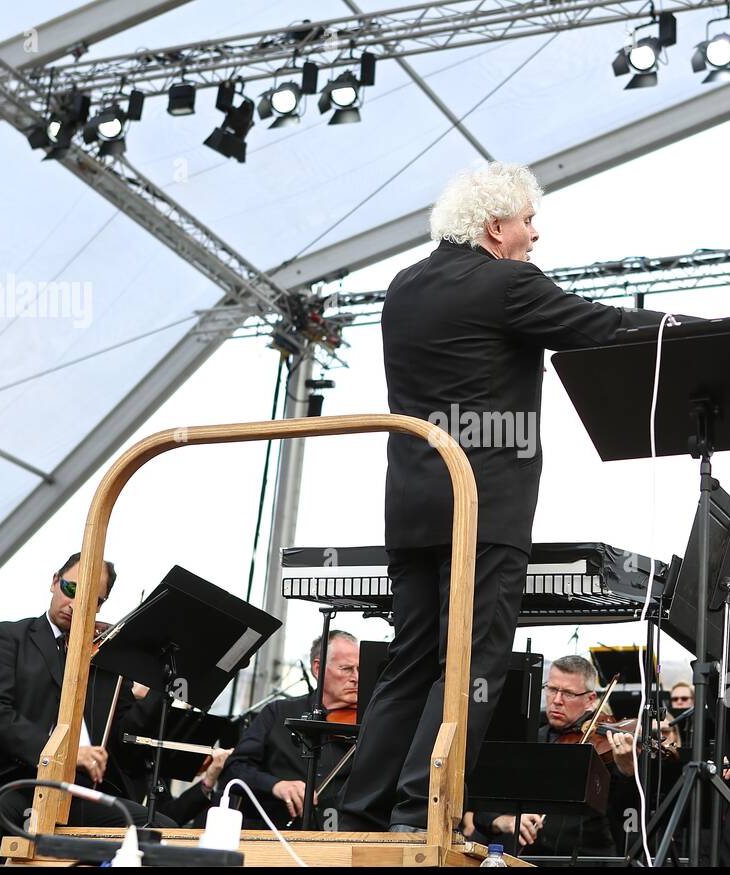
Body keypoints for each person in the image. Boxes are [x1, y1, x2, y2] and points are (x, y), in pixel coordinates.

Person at [339, 162, 667, 833]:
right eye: (526, 222)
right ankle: (416, 809)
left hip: (410, 506)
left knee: (411, 659)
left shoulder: (402, 288)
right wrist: (687, 327)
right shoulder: (507, 283)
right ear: (495, 227)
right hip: (483, 508)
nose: (535, 236)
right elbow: (595, 326)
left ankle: (360, 810)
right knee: (476, 660)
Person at [0, 552, 167, 829]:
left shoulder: (106, 660)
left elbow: (122, 739)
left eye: (92, 600)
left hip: (76, 793)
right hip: (11, 781)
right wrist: (64, 755)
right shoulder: (10, 637)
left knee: (159, 828)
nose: (75, 604)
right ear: (54, 581)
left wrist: (160, 684)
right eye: (71, 589)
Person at [466, 655, 637, 857]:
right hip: (524, 856)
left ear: (590, 699)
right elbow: (483, 808)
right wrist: (505, 821)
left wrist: (628, 771)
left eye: (568, 694)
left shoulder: (605, 745)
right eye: (552, 689)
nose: (556, 700)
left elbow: (625, 811)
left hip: (586, 856)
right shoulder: (527, 738)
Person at [224, 631, 359, 828]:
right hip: (273, 832)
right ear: (318, 668)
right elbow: (234, 768)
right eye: (346, 669)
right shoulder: (278, 712)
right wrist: (276, 786)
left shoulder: (369, 723)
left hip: (343, 835)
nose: (356, 677)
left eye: (359, 669)